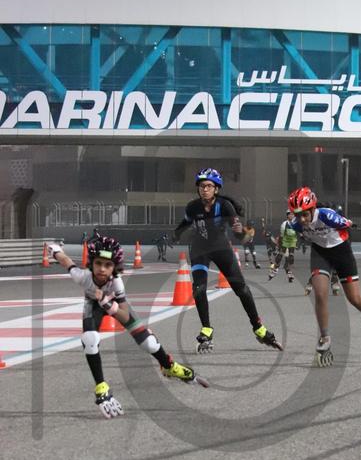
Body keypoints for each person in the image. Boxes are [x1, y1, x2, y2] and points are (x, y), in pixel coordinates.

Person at [45, 235, 209, 418]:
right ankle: (101, 387)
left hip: (114, 304)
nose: (102, 269)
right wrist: (55, 250)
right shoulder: (83, 277)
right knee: (90, 339)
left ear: (114, 267)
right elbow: (66, 261)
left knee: (149, 343)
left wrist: (108, 303)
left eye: (108, 265)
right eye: (98, 263)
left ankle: (168, 365)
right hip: (93, 305)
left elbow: (123, 314)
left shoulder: (116, 282)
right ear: (91, 263)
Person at [172, 168, 283, 353]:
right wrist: (176, 234)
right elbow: (186, 222)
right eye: (201, 186)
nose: (204, 189)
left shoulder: (224, 206)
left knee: (241, 289)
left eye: (209, 186)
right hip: (199, 249)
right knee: (198, 289)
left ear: (216, 189)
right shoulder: (192, 207)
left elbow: (238, 233)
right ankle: (206, 329)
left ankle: (258, 328)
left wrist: (242, 234)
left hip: (221, 248)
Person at [287, 186, 361, 365]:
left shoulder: (326, 215)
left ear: (313, 208)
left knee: (354, 298)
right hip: (320, 253)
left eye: (305, 214)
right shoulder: (295, 224)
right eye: (297, 215)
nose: (302, 219)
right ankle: (325, 337)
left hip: (341, 252)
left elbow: (345, 223)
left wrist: (348, 223)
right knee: (320, 294)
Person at [268, 211, 297, 283]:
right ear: (287, 216)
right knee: (279, 256)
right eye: (290, 214)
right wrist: (279, 244)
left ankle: (290, 272)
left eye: (293, 214)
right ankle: (274, 270)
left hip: (292, 242)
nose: (292, 215)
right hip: (285, 241)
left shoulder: (296, 222)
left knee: (291, 257)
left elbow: (298, 232)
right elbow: (281, 235)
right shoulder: (284, 224)